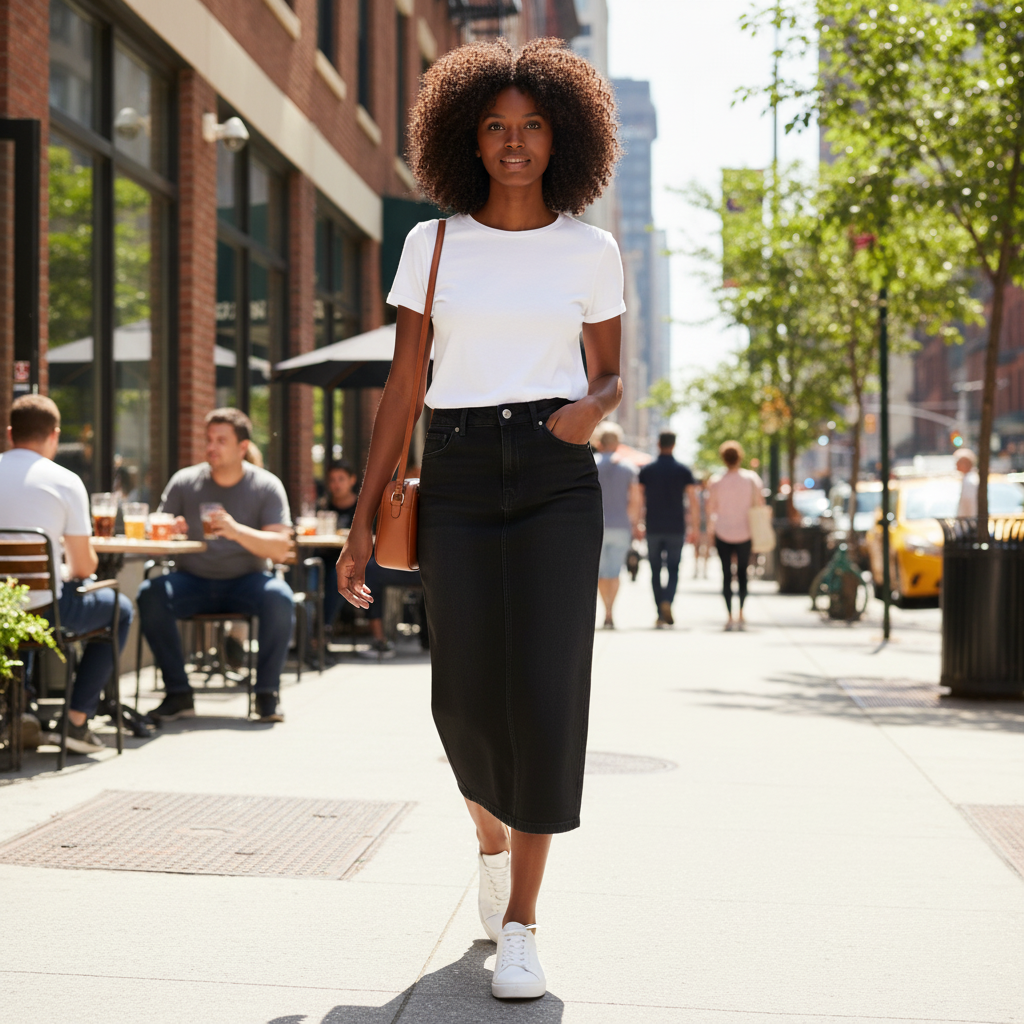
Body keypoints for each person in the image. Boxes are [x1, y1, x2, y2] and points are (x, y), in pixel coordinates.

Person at [335, 39, 624, 1001]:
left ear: (562, 134)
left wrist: (594, 411)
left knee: (546, 693)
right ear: (468, 137)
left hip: (553, 474)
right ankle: (489, 838)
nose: (514, 143)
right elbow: (403, 384)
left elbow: (611, 367)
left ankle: (525, 921)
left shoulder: (590, 247)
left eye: (532, 125)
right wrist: (365, 515)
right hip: (454, 473)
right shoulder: (435, 242)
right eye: (497, 126)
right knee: (459, 695)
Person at [137, 409, 294, 724]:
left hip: (247, 581)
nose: (211, 447)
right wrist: (172, 529)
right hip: (191, 579)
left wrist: (236, 531)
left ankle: (266, 694)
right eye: (208, 440)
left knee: (280, 596)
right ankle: (178, 693)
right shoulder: (184, 482)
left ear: (242, 447)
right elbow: (154, 527)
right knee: (149, 594)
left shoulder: (266, 485)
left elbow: (281, 549)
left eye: (221, 441)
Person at [0, 395, 133, 754]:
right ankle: (75, 721)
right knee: (120, 609)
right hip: (45, 611)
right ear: (55, 436)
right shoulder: (65, 481)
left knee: (16, 604)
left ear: (11, 433)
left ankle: (19, 707)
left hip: (3, 611)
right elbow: (85, 567)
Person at [638, 431, 697, 627]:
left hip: (653, 526)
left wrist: (637, 523)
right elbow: (693, 501)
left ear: (657, 444)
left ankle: (660, 613)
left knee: (655, 570)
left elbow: (639, 500)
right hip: (676, 527)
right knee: (673, 569)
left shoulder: (647, 470)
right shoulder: (683, 470)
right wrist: (695, 527)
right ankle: (667, 602)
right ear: (674, 445)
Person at [707, 440, 765, 631]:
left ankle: (729, 616)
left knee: (725, 574)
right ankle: (741, 612)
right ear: (740, 457)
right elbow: (761, 505)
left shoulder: (716, 481)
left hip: (723, 531)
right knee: (742, 574)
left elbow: (710, 509)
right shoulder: (751, 479)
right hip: (745, 531)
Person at [593, 421, 641, 628]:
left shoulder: (591, 463)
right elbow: (635, 501)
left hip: (596, 526)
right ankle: (611, 611)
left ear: (599, 441)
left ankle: (606, 611)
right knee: (614, 572)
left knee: (601, 573)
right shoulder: (629, 468)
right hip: (621, 525)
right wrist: (633, 522)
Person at [691, 475, 711, 580]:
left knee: (705, 547)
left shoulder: (708, 494)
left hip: (705, 524)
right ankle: (697, 569)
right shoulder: (697, 495)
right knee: (697, 547)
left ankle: (704, 570)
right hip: (698, 524)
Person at [956, 448, 978, 517]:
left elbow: (970, 505)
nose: (956, 464)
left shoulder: (970, 481)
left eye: (959, 461)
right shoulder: (967, 478)